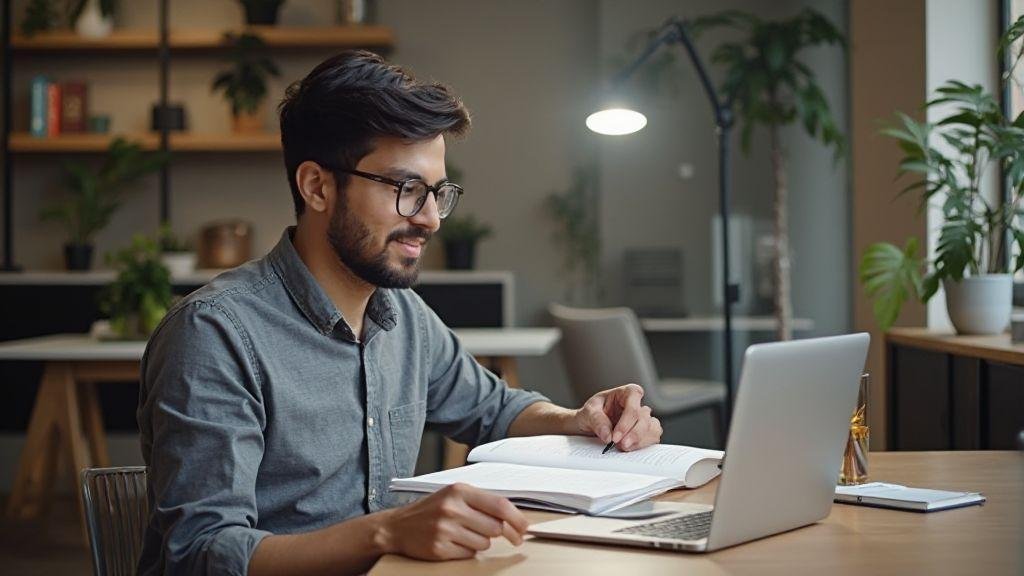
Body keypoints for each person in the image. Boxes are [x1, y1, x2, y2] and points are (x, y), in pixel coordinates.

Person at [137, 50, 662, 576]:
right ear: (317, 186)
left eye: (437, 193)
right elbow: (202, 554)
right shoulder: (213, 334)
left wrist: (580, 419)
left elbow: (497, 410)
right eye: (407, 190)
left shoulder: (402, 316)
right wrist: (387, 531)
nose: (431, 219)